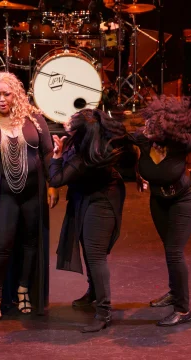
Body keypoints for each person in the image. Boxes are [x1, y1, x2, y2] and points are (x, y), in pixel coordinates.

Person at [0, 71, 59, 322]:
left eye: (7, 94)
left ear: (16, 94)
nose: (2, 99)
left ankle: (24, 288)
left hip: (34, 191)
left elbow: (46, 153)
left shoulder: (33, 118)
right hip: (5, 194)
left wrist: (53, 185)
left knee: (31, 242)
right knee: (2, 246)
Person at [132, 96, 191, 326]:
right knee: (169, 249)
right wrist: (139, 173)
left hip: (184, 200)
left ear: (166, 130)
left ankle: (183, 310)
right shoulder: (143, 139)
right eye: (148, 123)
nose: (147, 129)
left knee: (174, 251)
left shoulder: (183, 142)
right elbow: (131, 148)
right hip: (159, 200)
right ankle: (174, 292)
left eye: (153, 126)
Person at [49, 109, 130, 333]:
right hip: (87, 196)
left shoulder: (84, 158)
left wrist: (56, 156)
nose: (68, 125)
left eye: (73, 126)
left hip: (102, 201)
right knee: (88, 248)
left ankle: (104, 312)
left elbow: (56, 179)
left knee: (95, 255)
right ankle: (93, 292)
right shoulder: (94, 142)